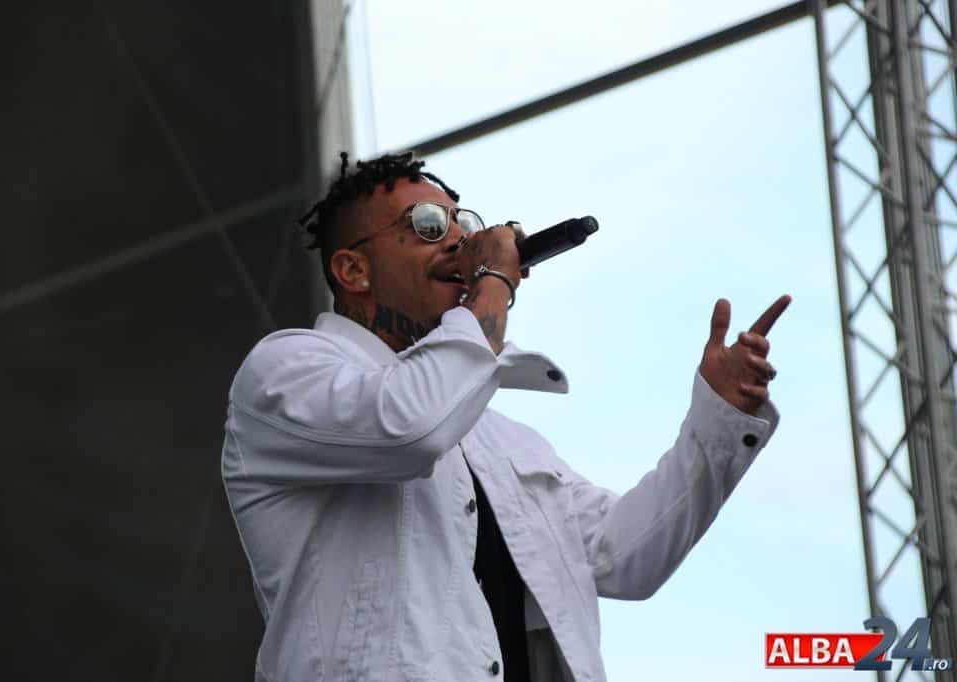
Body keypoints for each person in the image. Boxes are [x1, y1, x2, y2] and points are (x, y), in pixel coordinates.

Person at [221, 151, 790, 682]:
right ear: (353, 270)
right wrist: (493, 282)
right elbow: (411, 428)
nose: (461, 241)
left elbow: (629, 557)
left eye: (462, 223)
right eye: (427, 225)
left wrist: (720, 417)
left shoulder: (506, 442)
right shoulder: (285, 372)